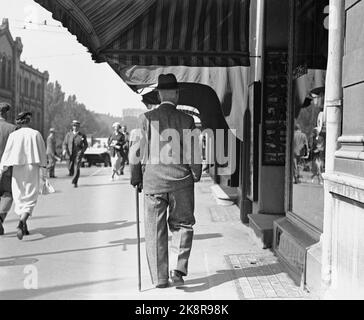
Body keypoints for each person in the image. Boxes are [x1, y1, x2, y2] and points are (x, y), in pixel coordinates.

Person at [130, 73, 202, 288]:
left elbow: (136, 151)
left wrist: (136, 177)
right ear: (177, 94)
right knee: (183, 224)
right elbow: (194, 154)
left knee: (154, 229)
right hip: (181, 180)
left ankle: (160, 278)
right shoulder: (187, 120)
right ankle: (178, 270)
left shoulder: (145, 119)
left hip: (153, 182)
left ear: (159, 94)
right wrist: (195, 174)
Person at [0, 112, 47, 240]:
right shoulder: (36, 134)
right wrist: (44, 171)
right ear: (28, 120)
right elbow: (42, 153)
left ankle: (23, 223)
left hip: (17, 169)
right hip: (32, 167)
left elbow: (7, 152)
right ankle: (22, 222)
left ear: (18, 122)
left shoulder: (14, 135)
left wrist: (2, 168)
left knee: (19, 195)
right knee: (30, 197)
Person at [0, 103, 17, 235]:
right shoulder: (13, 129)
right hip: (7, 169)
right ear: (5, 113)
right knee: (8, 194)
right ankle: (0, 217)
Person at [62, 120, 88, 188]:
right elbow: (65, 143)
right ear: (72, 126)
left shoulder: (82, 135)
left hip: (78, 153)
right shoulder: (68, 134)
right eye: (74, 126)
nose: (75, 127)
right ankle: (73, 175)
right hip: (70, 153)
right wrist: (64, 150)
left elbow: (86, 144)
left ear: (79, 127)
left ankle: (75, 181)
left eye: (76, 126)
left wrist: (82, 151)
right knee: (70, 168)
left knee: (77, 167)